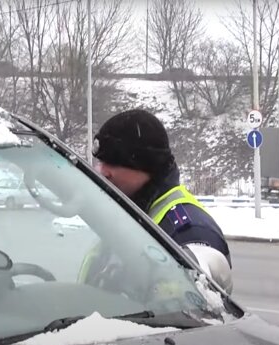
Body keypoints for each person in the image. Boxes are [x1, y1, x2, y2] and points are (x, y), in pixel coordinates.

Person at [78, 109, 232, 294]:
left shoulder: (189, 232)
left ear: (146, 166)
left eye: (114, 162)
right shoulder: (128, 215)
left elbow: (194, 315)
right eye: (100, 161)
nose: (102, 171)